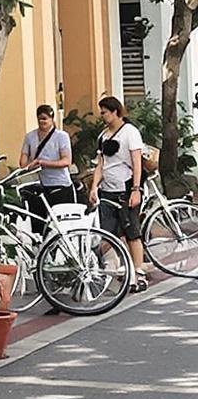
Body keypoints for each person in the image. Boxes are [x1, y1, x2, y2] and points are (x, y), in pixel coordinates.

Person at [91, 95, 148, 290]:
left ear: (115, 112)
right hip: (107, 190)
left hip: (125, 188)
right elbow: (101, 164)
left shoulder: (130, 133)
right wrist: (94, 186)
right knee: (108, 232)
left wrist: (136, 189)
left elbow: (137, 162)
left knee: (131, 231)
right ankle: (115, 268)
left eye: (105, 112)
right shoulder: (103, 136)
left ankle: (139, 273)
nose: (103, 116)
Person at [18, 103, 76, 227]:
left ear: (52, 119)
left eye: (45, 118)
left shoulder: (61, 136)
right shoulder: (30, 137)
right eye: (40, 119)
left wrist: (43, 163)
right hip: (40, 186)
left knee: (60, 225)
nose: (42, 121)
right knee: (39, 223)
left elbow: (66, 161)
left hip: (60, 185)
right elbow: (23, 161)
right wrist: (29, 165)